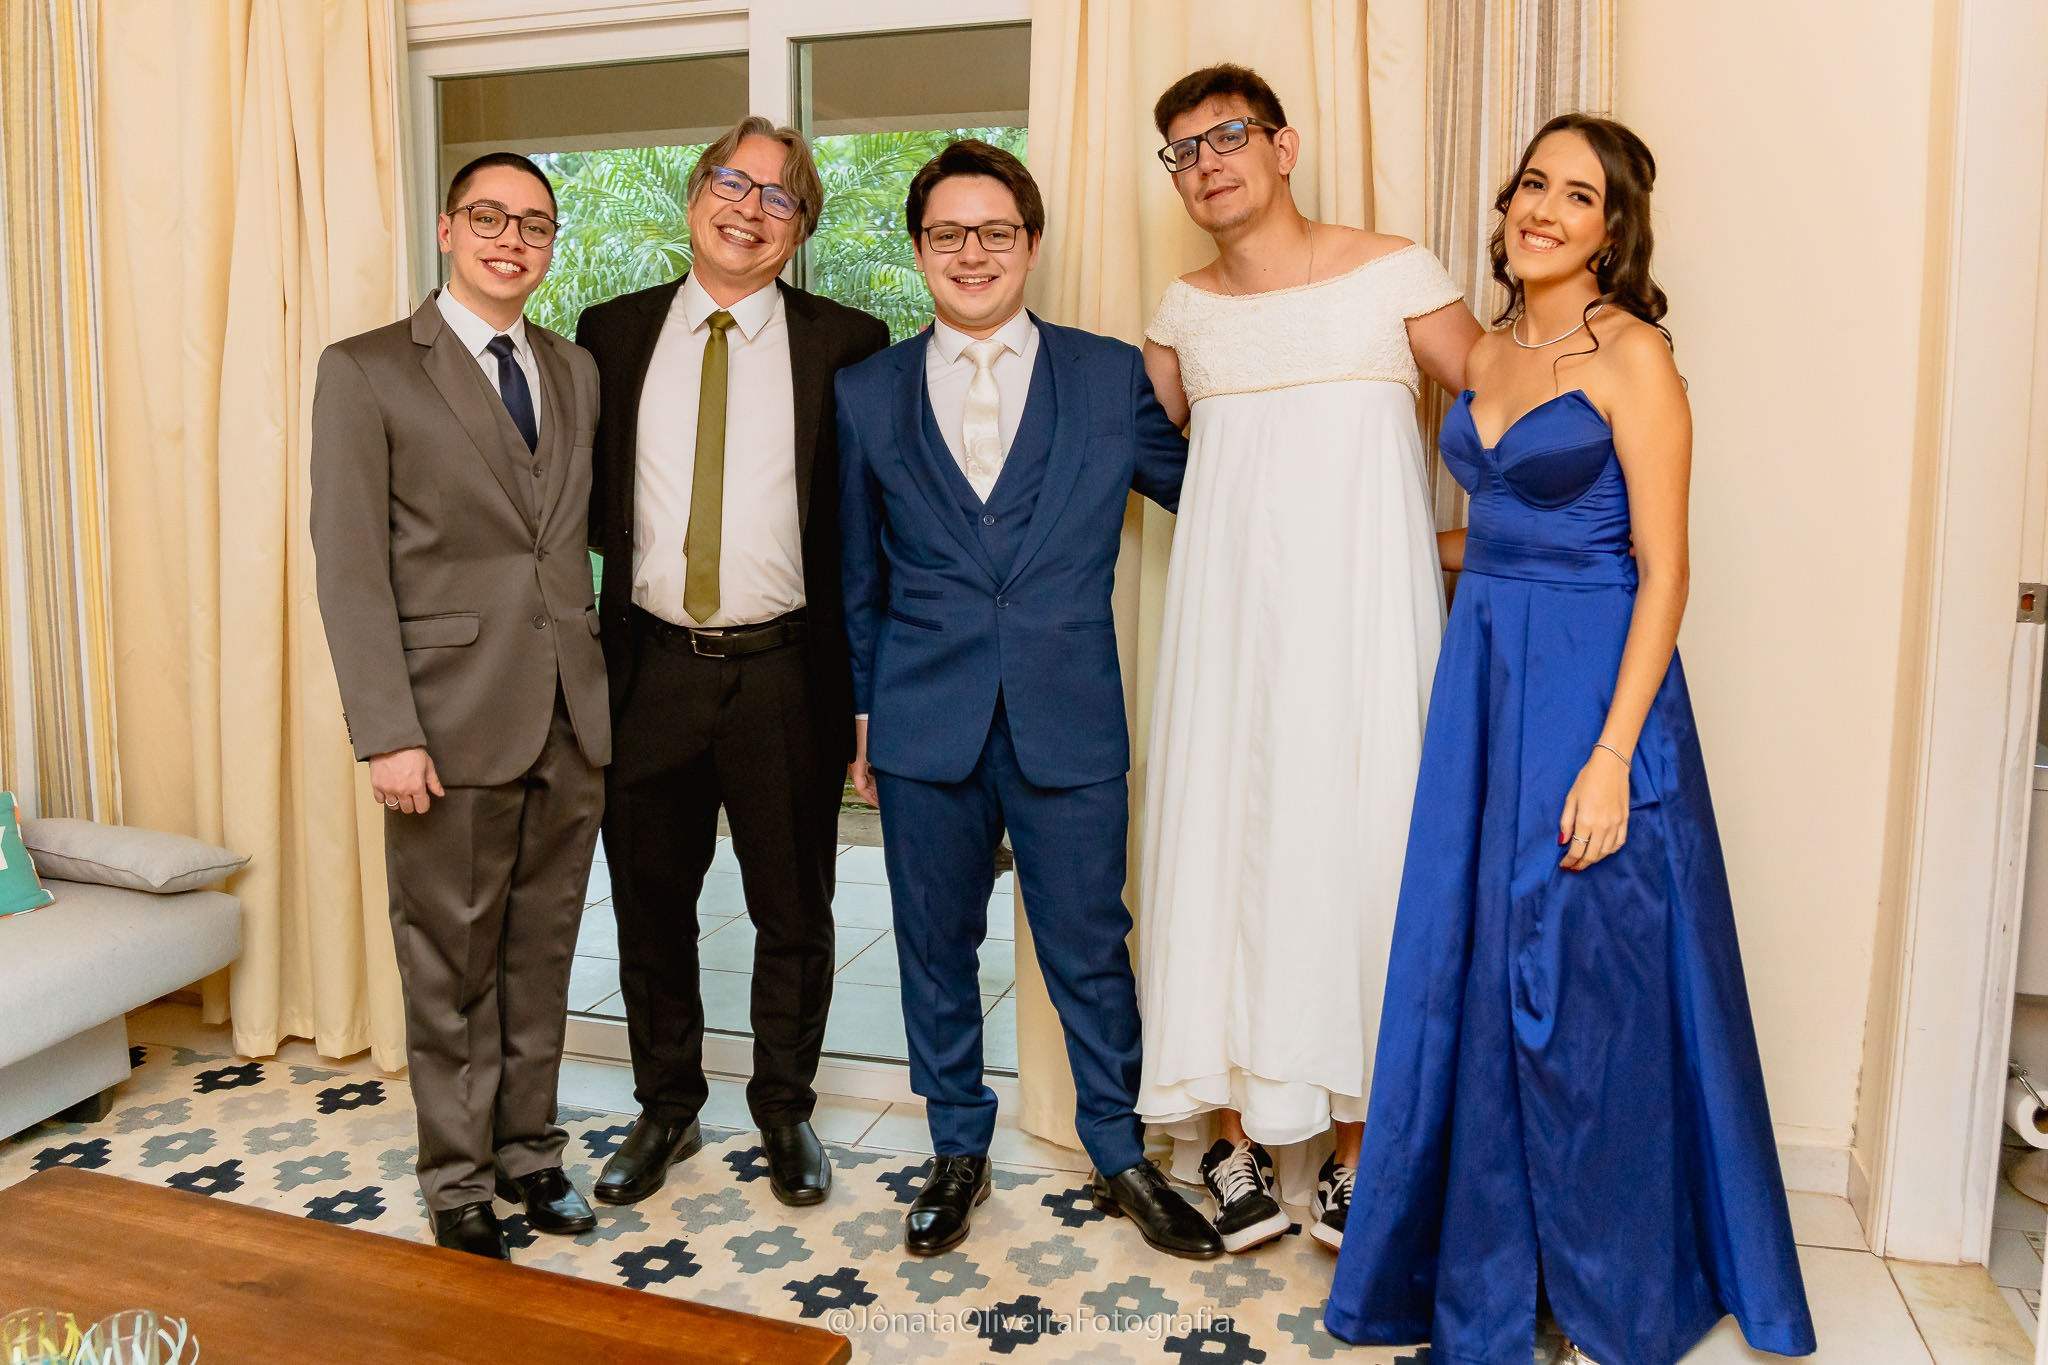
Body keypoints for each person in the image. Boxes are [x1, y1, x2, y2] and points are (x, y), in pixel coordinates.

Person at [1325, 115, 1817, 1365]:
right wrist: (1355, 547)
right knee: (1475, 959)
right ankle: (1493, 1268)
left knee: (1578, 975)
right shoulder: (1485, 354)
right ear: (1504, 209)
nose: (1543, 209)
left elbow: (1665, 570)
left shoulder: (1633, 355)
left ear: (1611, 230)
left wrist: (1609, 757)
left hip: (1592, 683)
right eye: (1531, 185)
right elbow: (1489, 536)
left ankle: (1606, 1275)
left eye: (1577, 195)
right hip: (1482, 679)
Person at [837, 140, 1221, 1260]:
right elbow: (858, 578)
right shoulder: (864, 393)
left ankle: (1120, 1152)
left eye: (995, 232)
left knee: (1089, 947)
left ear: (1031, 244)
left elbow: (1209, 492)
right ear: (919, 251)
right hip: (921, 721)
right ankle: (956, 1147)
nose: (973, 253)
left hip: (1069, 712)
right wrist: (863, 720)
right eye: (948, 234)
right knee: (932, 944)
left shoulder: (1106, 375)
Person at [1134, 65, 1480, 1254]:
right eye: (1182, 150)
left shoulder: (1395, 273)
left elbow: (1511, 412)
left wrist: (1458, 546)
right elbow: (1133, 453)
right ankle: (1229, 1139)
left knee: (1362, 850)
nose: (1205, 163)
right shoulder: (1179, 314)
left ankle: (1355, 1151)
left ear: (1282, 146)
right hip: (1225, 633)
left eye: (1225, 136)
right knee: (1224, 853)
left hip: (1366, 628)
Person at [575, 118, 889, 1210]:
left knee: (793, 911)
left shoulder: (848, 343)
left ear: (800, 229)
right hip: (647, 669)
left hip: (786, 675)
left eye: (779, 196)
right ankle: (665, 1107)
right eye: (731, 183)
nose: (749, 210)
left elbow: (867, 529)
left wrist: (867, 700)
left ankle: (785, 1111)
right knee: (649, 904)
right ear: (693, 194)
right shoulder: (609, 333)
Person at [311, 152, 607, 1259]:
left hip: (570, 716)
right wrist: (387, 732)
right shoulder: (368, 369)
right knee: (449, 965)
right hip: (443, 723)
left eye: (534, 223)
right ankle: (456, 1179)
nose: (511, 239)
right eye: (489, 216)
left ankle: (530, 1154)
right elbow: (350, 568)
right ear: (446, 229)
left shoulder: (573, 369)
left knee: (542, 955)